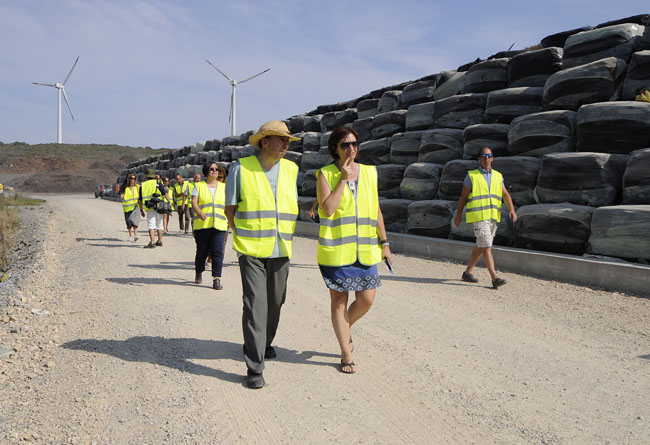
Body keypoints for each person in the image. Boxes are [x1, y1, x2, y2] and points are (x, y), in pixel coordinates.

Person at [225, 120, 300, 389]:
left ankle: (265, 342)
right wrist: (241, 233)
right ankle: (254, 366)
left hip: (281, 248)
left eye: (288, 140)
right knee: (256, 304)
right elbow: (230, 208)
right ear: (264, 141)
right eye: (281, 139)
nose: (286, 144)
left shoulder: (292, 169)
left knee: (276, 302)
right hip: (251, 248)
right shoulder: (240, 168)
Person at [316, 126, 392, 375]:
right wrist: (343, 179)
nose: (351, 149)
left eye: (355, 144)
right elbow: (327, 210)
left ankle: (344, 330)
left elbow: (376, 209)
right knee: (339, 301)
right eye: (345, 145)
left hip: (366, 250)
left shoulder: (370, 173)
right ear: (334, 149)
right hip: (337, 251)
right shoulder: (325, 174)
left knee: (367, 299)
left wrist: (385, 243)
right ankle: (345, 353)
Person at [453, 146, 517, 289]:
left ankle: (467, 272)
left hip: (492, 217)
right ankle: (494, 278)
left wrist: (512, 209)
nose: (486, 158)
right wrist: (458, 216)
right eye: (483, 156)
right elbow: (463, 198)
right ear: (479, 159)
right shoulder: (472, 176)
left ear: (492, 158)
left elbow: (505, 195)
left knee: (481, 245)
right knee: (486, 245)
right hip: (479, 217)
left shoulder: (498, 176)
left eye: (489, 156)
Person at [191, 162, 228, 290]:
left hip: (220, 225)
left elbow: (228, 204)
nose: (215, 171)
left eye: (216, 169)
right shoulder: (199, 186)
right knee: (202, 252)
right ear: (206, 171)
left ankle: (216, 279)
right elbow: (194, 201)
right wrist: (199, 212)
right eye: (212, 169)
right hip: (203, 225)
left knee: (218, 251)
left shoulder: (224, 187)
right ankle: (199, 272)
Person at [139, 169, 168, 248]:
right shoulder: (158, 182)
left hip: (150, 207)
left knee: (151, 225)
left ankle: (152, 243)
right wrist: (169, 203)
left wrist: (141, 209)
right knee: (159, 225)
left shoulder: (143, 185)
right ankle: (159, 241)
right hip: (159, 206)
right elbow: (164, 193)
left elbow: (140, 199)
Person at [119, 174, 143, 242]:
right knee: (129, 222)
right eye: (131, 178)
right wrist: (122, 192)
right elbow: (121, 196)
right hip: (127, 208)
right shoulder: (125, 188)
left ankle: (135, 235)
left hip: (135, 207)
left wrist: (141, 209)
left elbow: (140, 197)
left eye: (134, 178)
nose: (133, 180)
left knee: (135, 221)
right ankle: (130, 236)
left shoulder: (137, 187)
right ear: (129, 179)